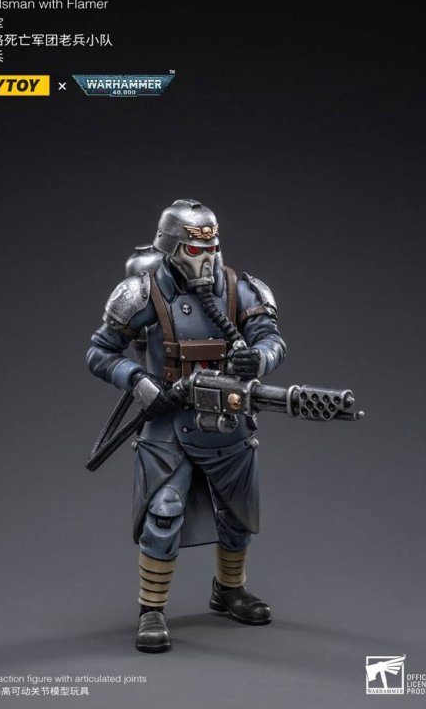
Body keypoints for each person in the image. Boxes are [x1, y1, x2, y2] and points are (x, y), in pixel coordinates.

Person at [86, 199, 287, 652]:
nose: (207, 258)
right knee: (163, 514)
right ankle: (151, 609)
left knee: (237, 514)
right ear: (172, 248)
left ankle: (230, 590)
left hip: (228, 422)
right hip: (169, 422)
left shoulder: (241, 289)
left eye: (213, 247)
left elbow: (272, 339)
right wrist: (138, 381)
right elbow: (100, 351)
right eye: (196, 250)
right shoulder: (142, 292)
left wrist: (258, 359)